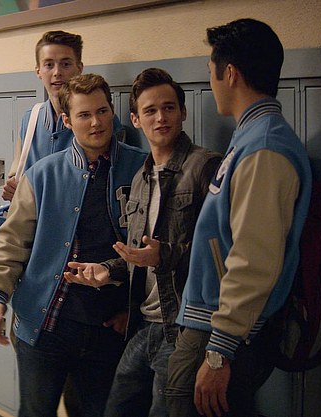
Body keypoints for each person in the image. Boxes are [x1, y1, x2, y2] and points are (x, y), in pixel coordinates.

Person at [165, 19, 312, 417]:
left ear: (229, 73)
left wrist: (219, 351)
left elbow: (254, 257)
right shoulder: (252, 136)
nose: (210, 81)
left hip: (221, 331)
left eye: (210, 70)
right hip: (215, 323)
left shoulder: (264, 146)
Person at [0, 73, 147, 417]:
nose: (96, 122)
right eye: (84, 115)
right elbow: (11, 243)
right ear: (68, 121)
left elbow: (153, 249)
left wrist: (135, 311)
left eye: (102, 111)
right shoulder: (42, 175)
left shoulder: (141, 168)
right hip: (46, 326)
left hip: (109, 330)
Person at [65, 68, 220, 417]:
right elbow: (140, 256)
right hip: (143, 325)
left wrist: (165, 255)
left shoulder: (206, 167)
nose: (160, 117)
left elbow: (222, 254)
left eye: (169, 108)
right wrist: (107, 270)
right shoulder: (140, 178)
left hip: (183, 327)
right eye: (150, 110)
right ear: (135, 119)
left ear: (183, 112)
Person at [2, 30, 133, 202]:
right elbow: (17, 170)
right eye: (49, 65)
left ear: (79, 68)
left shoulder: (102, 123)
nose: (57, 72)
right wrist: (13, 186)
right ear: (38, 71)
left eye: (65, 64)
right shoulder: (30, 119)